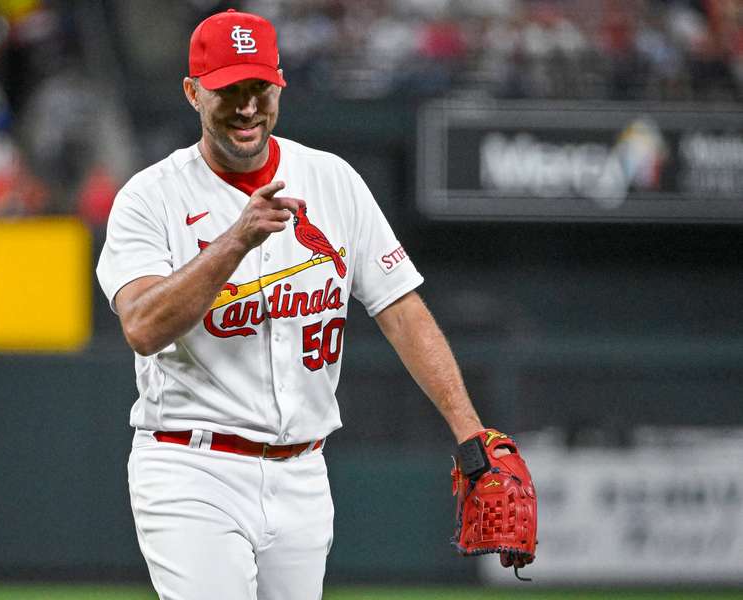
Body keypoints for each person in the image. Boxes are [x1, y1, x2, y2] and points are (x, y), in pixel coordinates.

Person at [97, 9, 500, 599]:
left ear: (279, 83)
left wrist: (470, 432)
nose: (248, 105)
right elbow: (141, 326)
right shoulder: (150, 198)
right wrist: (236, 240)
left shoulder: (332, 180)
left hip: (304, 470)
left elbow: (401, 309)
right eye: (228, 89)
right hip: (191, 465)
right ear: (192, 93)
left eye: (259, 86)